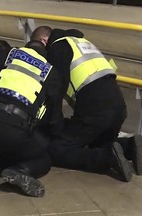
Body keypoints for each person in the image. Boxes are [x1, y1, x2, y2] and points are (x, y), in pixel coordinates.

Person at [31, 26, 138, 182]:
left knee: (56, 149)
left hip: (96, 113)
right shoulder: (81, 43)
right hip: (118, 110)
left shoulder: (58, 48)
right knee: (92, 143)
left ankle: (107, 159)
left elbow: (55, 93)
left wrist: (53, 127)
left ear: (43, 41)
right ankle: (131, 146)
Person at [0, 40, 62, 197]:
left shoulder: (9, 54)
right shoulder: (51, 71)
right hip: (15, 127)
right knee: (42, 158)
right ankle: (21, 170)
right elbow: (53, 116)